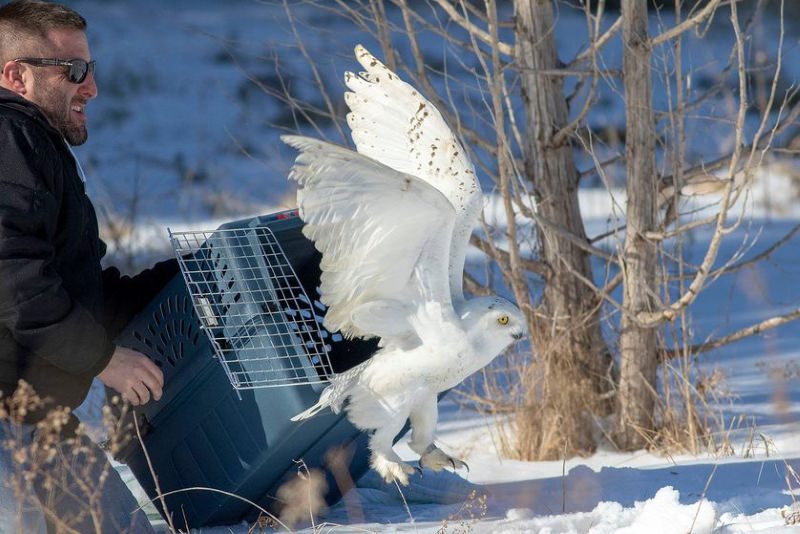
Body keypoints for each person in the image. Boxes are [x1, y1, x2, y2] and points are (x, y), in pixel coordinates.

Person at [0, 1, 178, 531]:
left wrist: (186, 277)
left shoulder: (31, 144)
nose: (91, 88)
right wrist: (104, 360)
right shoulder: (10, 138)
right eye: (74, 71)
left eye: (91, 69)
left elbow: (72, 290)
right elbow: (11, 276)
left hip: (38, 426)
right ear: (16, 75)